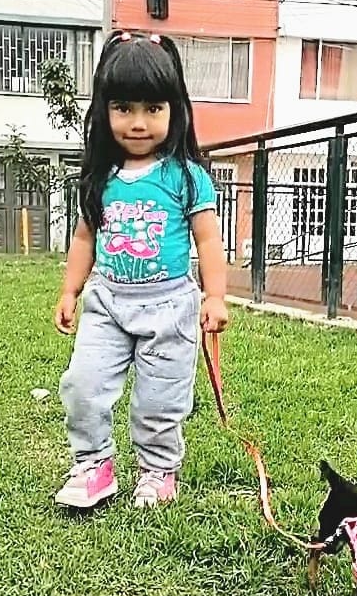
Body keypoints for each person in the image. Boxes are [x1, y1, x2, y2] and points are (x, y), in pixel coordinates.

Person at [54, 30, 229, 510]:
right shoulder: (99, 179)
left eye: (153, 108)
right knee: (83, 385)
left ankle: (157, 471)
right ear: (104, 110)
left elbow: (208, 240)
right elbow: (84, 238)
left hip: (170, 308)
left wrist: (215, 296)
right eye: (123, 108)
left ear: (175, 110)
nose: (137, 122)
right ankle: (93, 464)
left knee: (159, 401)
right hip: (107, 304)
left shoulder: (186, 177)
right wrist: (70, 290)